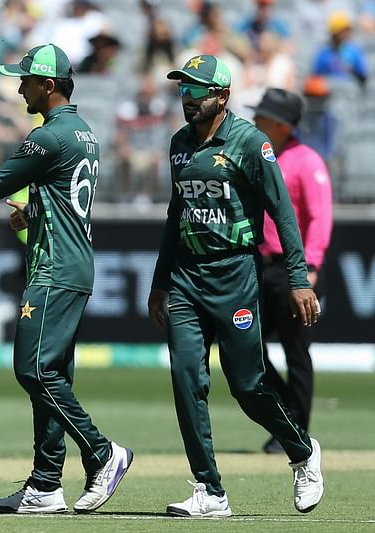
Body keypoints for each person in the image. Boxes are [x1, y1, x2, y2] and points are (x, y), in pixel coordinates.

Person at [0, 43, 133, 515]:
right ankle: (45, 484)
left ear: (48, 86)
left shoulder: (48, 136)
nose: (19, 87)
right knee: (52, 374)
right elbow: (49, 192)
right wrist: (28, 206)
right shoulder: (82, 132)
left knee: (33, 370)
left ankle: (102, 453)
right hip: (70, 264)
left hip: (53, 270)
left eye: (26, 80)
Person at [147, 54, 325, 518]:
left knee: (247, 384)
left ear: (222, 96)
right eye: (182, 90)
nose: (187, 99)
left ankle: (303, 452)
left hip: (235, 276)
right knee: (187, 379)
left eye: (196, 91)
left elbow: (282, 212)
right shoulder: (179, 145)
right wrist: (160, 280)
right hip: (186, 279)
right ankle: (210, 491)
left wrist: (298, 278)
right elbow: (175, 215)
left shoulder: (251, 143)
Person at [247, 87, 333, 454]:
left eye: (262, 117)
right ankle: (287, 419)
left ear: (281, 125)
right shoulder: (260, 155)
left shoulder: (307, 161)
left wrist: (310, 269)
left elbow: (319, 219)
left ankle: (296, 432)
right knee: (247, 348)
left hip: (294, 271)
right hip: (257, 267)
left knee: (296, 352)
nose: (255, 121)